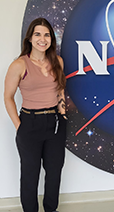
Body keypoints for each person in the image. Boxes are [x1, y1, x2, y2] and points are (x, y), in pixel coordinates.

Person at [4, 17, 67, 212]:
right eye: (37, 34)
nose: (43, 39)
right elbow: (8, 97)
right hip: (29, 123)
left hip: (55, 123)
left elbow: (60, 91)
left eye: (47, 34)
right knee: (30, 174)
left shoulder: (58, 61)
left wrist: (62, 116)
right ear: (30, 38)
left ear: (51, 39)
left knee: (54, 172)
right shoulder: (19, 65)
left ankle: (51, 209)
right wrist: (19, 126)